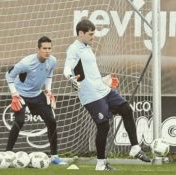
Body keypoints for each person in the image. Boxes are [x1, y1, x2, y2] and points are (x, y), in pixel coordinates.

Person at [63, 19, 150, 171]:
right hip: (91, 95)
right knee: (103, 126)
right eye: (90, 34)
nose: (93, 37)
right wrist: (70, 79)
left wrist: (105, 80)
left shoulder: (87, 48)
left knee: (126, 110)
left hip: (103, 89)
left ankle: (135, 147)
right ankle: (100, 164)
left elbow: (89, 73)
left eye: (93, 34)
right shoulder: (73, 49)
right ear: (81, 33)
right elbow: (67, 69)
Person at [5, 36, 66, 165]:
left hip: (37, 95)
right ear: (38, 49)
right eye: (44, 48)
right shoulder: (26, 63)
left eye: (49, 48)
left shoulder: (52, 61)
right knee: (19, 121)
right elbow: (9, 75)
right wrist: (14, 94)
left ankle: (54, 157)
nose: (47, 51)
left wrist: (48, 90)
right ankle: (7, 154)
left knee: (52, 121)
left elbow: (49, 74)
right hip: (21, 95)